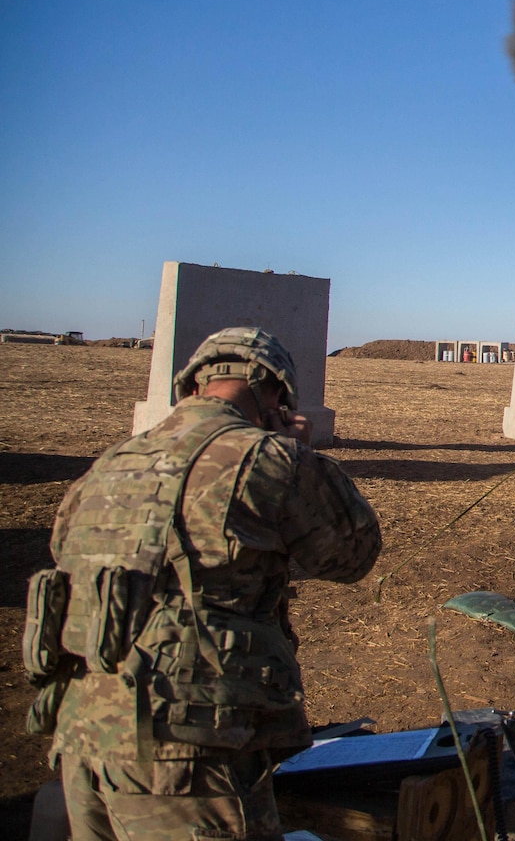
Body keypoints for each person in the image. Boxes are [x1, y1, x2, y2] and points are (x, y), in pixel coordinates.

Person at [22, 327, 382, 841]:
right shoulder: (268, 458)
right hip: (183, 751)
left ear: (190, 385)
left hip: (81, 740)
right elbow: (353, 556)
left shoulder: (107, 465)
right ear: (274, 391)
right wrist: (305, 457)